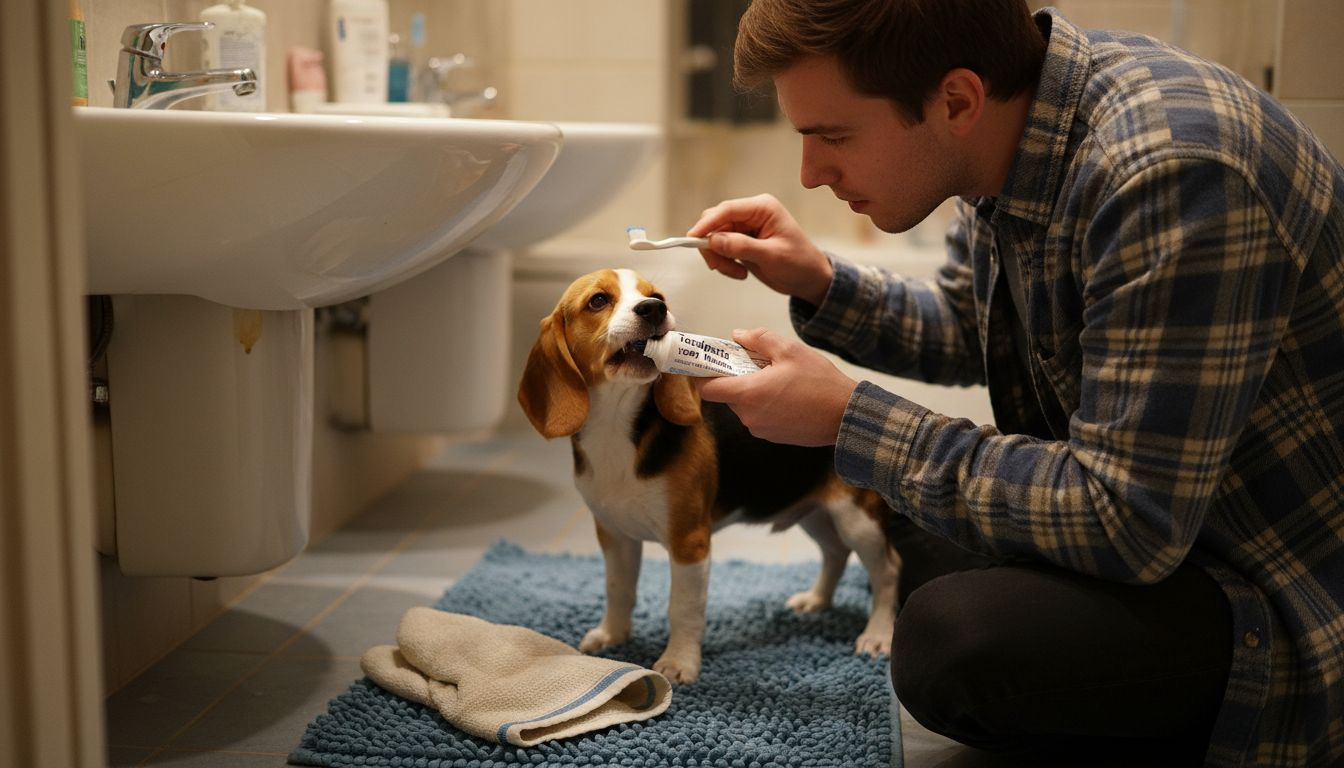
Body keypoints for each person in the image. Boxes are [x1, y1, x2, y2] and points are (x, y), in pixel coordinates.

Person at [684, 1, 1344, 766]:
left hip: (1270, 583)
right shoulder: (1018, 128)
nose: (812, 175)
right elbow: (978, 328)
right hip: (1168, 529)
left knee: (951, 644)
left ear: (956, 100)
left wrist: (849, 420)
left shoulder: (1171, 175)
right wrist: (822, 281)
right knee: (906, 515)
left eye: (833, 138)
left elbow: (1125, 520)